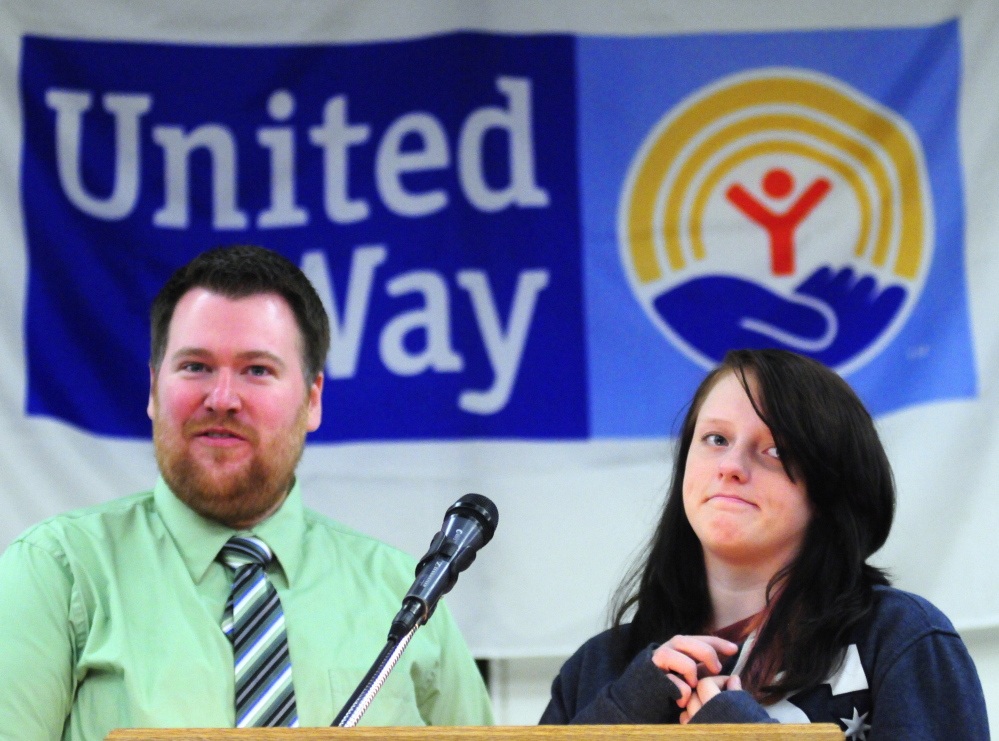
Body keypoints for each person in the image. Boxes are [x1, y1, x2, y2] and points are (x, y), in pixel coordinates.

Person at [0, 245, 492, 740]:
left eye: (257, 370)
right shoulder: (58, 574)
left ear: (312, 399)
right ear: (152, 389)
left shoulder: (403, 597)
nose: (222, 399)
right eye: (195, 366)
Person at [540, 349, 988, 739]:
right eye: (715, 439)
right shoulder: (599, 666)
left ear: (832, 485)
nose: (731, 466)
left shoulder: (898, 637)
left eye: (775, 450)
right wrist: (619, 717)